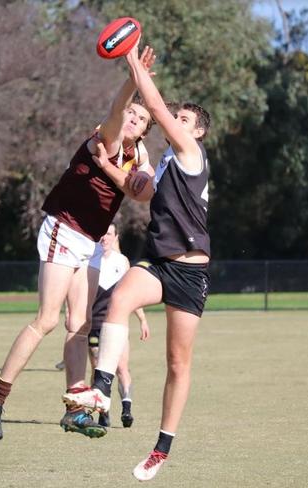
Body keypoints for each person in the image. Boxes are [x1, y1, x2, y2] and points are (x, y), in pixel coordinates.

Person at [0, 48, 157, 441]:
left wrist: (140, 160)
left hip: (90, 242)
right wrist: (135, 75)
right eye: (133, 112)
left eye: (142, 118)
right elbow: (116, 107)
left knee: (80, 325)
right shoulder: (107, 137)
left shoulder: (133, 156)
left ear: (145, 133)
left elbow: (143, 192)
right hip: (64, 228)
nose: (133, 116)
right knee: (46, 319)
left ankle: (76, 408)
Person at [63, 41, 211, 481]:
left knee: (177, 364)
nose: (176, 122)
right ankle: (101, 394)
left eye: (185, 120)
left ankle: (162, 448)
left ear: (197, 132)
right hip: (158, 263)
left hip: (191, 270)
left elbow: (159, 111)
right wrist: (108, 164)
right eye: (178, 119)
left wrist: (131, 60)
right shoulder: (165, 164)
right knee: (122, 298)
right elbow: (138, 189)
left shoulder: (190, 153)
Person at [88, 222, 149, 428]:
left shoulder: (122, 262)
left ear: (115, 237)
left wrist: (142, 319)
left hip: (117, 326)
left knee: (122, 367)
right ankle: (103, 413)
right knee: (98, 370)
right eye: (102, 234)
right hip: (94, 325)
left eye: (109, 234)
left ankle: (126, 408)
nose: (105, 238)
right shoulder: (90, 261)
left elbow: (130, 295)